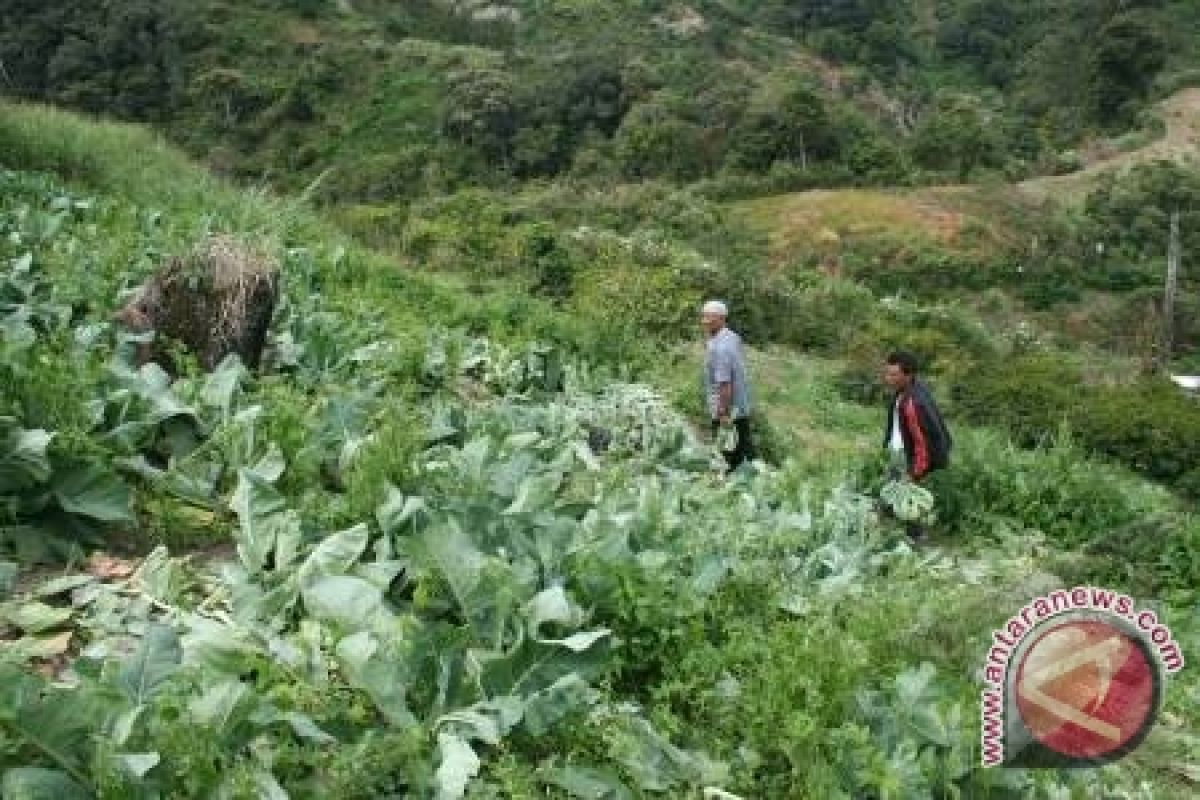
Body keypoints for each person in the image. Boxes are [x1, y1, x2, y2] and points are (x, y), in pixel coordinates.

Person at [882, 350, 952, 540]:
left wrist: (914, 472)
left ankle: (915, 538)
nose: (888, 378)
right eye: (887, 373)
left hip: (908, 456)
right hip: (898, 451)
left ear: (908, 375)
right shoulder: (905, 391)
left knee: (906, 496)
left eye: (894, 374)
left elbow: (922, 442)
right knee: (893, 491)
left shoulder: (913, 403)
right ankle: (890, 528)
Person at [701, 300, 755, 470]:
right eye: (704, 317)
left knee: (726, 453)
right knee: (743, 445)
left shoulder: (721, 347)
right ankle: (754, 476)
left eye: (710, 318)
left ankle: (733, 484)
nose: (705, 321)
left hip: (728, 409)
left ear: (721, 319)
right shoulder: (731, 337)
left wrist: (723, 413)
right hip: (740, 405)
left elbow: (725, 383)